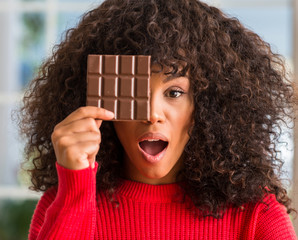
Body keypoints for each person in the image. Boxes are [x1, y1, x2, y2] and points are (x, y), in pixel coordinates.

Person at [18, 0, 297, 239]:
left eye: (174, 92)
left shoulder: (256, 215)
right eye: (133, 91)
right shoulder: (62, 204)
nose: (152, 113)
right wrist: (75, 191)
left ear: (208, 104)